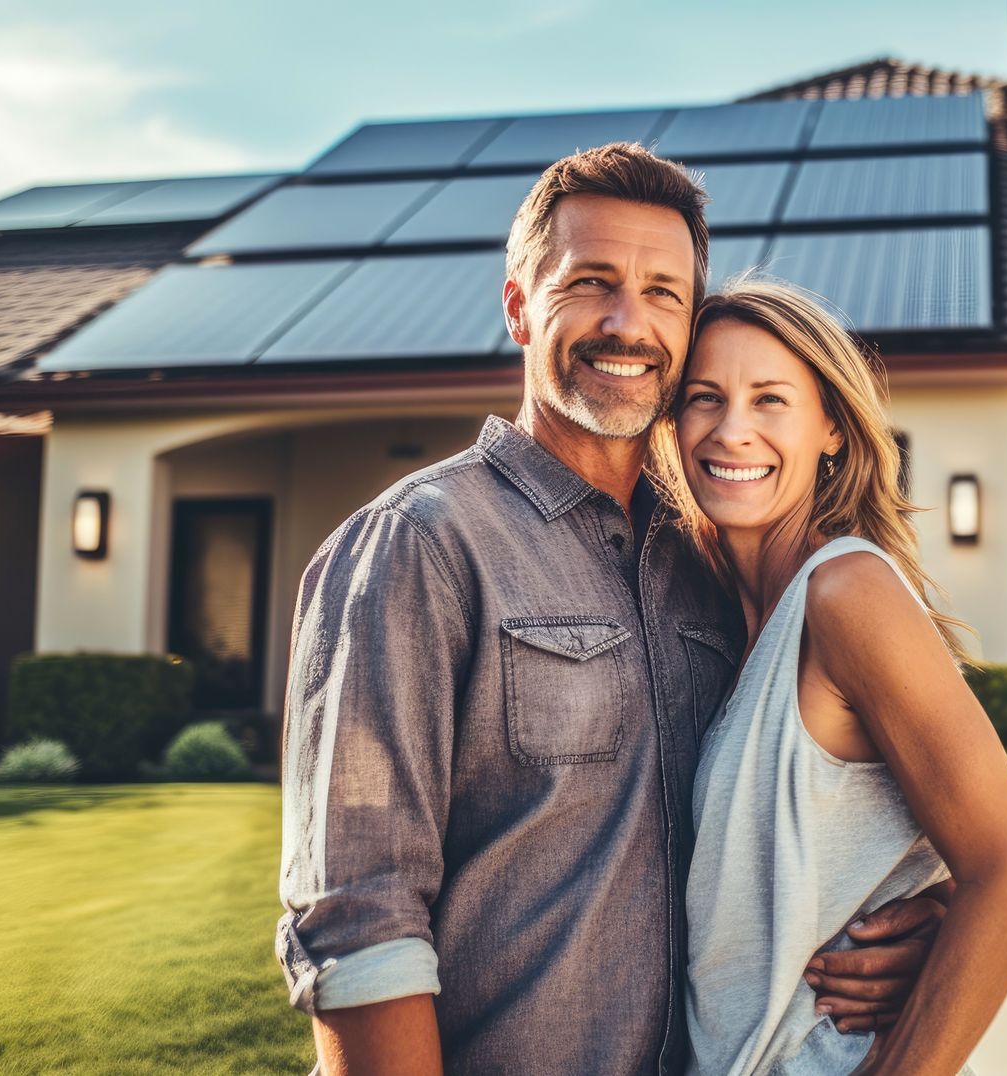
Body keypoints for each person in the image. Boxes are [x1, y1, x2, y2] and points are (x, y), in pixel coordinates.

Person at [276, 143, 953, 1076]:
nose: (628, 323)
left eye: (664, 292)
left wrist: (917, 923)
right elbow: (358, 919)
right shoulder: (417, 545)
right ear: (518, 303)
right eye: (591, 282)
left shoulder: (712, 562)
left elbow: (808, 812)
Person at [656, 280, 1007, 1075]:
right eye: (705, 397)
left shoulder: (845, 593)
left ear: (831, 428)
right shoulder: (715, 615)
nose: (733, 430)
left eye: (771, 400)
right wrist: (930, 907)